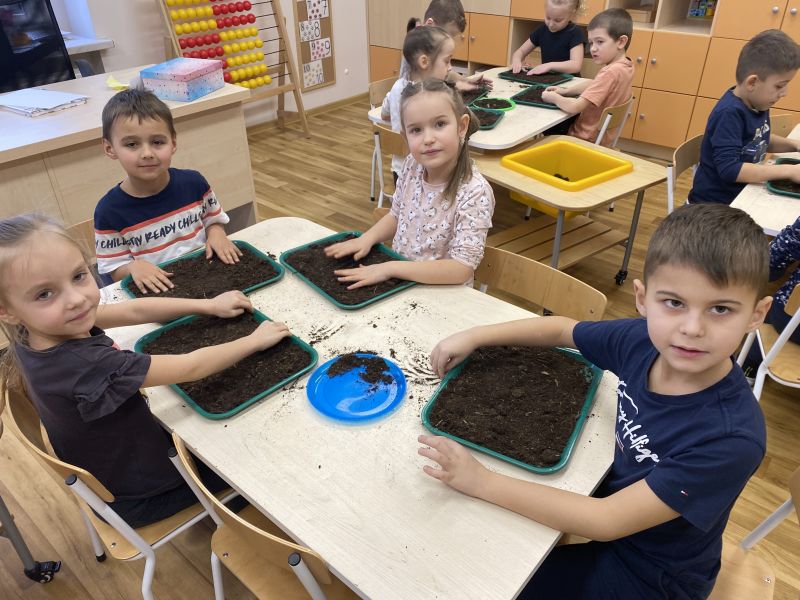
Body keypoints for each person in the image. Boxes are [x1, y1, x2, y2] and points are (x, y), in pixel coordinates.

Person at [419, 203, 772, 599]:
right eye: (674, 303)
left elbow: (605, 521)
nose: (692, 328)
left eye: (720, 309)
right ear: (643, 298)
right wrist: (475, 336)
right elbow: (562, 330)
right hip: (607, 515)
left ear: (756, 314)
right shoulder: (641, 340)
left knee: (488, 584)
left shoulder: (731, 439)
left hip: (653, 574)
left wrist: (482, 481)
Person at [0, 213, 291, 528]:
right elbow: (192, 367)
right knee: (263, 462)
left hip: (114, 471)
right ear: (7, 311)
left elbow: (135, 309)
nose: (76, 299)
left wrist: (207, 305)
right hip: (144, 495)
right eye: (44, 294)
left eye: (79, 276)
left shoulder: (34, 331)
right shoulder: (86, 365)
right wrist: (254, 341)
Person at [330, 78, 494, 288]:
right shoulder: (412, 166)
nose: (428, 139)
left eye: (440, 124)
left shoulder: (475, 191)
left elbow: (461, 269)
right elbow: (396, 215)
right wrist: (367, 238)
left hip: (443, 296)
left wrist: (389, 269)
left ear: (462, 126)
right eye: (416, 130)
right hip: (403, 284)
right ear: (405, 136)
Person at [94, 88, 242, 294]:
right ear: (110, 148)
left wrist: (217, 234)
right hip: (159, 294)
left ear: (173, 142)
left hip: (207, 278)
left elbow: (212, 220)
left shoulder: (194, 183)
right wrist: (132, 267)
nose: (147, 153)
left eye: (157, 142)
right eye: (132, 144)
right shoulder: (108, 211)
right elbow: (114, 269)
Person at [689, 29, 800, 205]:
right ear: (752, 82)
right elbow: (730, 169)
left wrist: (794, 145)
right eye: (779, 86)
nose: (784, 93)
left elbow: (758, 139)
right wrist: (788, 171)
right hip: (712, 208)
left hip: (741, 195)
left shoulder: (757, 102)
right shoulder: (729, 113)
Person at [541, 8, 634, 145]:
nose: (593, 49)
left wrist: (554, 98)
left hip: (583, 139)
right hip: (601, 138)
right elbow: (595, 83)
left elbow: (575, 107)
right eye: (591, 43)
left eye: (600, 42)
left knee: (544, 122)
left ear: (621, 42)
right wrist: (566, 91)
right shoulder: (626, 66)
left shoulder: (610, 73)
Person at [382, 26, 455, 181]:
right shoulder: (428, 97)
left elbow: (383, 114)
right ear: (424, 62)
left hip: (400, 168)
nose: (450, 68)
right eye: (447, 61)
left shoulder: (397, 86)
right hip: (420, 171)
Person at [399, 0, 488, 92]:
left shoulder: (431, 46)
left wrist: (466, 81)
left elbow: (446, 73)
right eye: (447, 35)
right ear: (430, 24)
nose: (450, 40)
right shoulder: (416, 50)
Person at [510, 0, 584, 77]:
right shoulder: (542, 30)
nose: (551, 24)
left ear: (571, 15)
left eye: (558, 20)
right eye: (548, 18)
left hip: (571, 81)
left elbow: (576, 65)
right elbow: (521, 51)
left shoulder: (575, 32)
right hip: (548, 79)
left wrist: (549, 66)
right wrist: (517, 60)